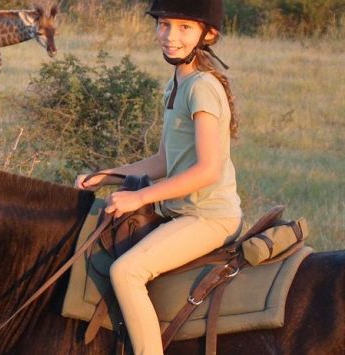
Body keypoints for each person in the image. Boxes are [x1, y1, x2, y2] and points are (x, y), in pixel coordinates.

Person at [74, 1, 242, 354]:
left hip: (209, 217)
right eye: (164, 25)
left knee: (126, 272)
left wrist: (139, 198)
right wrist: (107, 176)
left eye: (184, 27)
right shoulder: (176, 85)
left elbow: (208, 170)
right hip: (183, 213)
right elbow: (164, 161)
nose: (170, 36)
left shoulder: (202, 87)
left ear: (207, 34)